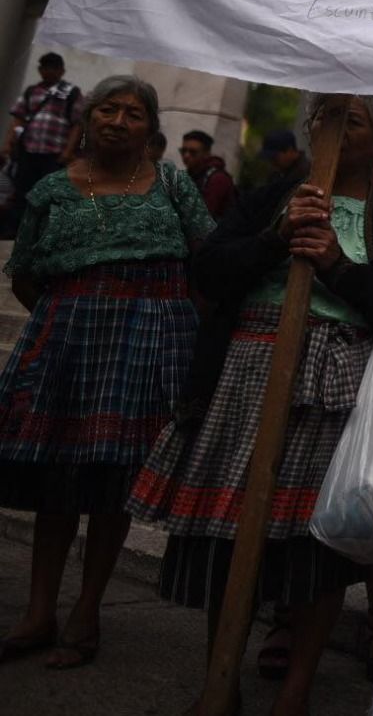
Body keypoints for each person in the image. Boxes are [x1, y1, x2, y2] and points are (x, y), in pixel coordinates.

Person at [127, 94, 373, 715]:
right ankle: (221, 680)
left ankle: (294, 694)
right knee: (229, 534)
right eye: (325, 118)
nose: (337, 131)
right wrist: (275, 238)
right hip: (246, 376)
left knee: (315, 554)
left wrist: (338, 267)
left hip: (336, 393)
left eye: (355, 122)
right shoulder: (269, 198)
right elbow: (209, 272)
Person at [0, 76, 213, 668]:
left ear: (151, 128)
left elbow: (211, 259)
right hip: (69, 340)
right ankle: (38, 612)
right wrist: (74, 309)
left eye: (133, 113)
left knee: (113, 483)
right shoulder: (50, 190)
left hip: (147, 345)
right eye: (107, 109)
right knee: (55, 479)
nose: (118, 121)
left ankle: (87, 611)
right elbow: (25, 272)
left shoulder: (172, 184)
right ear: (88, 119)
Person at [3, 53, 83, 237]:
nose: (49, 72)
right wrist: (8, 145)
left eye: (53, 68)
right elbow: (18, 119)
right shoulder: (32, 91)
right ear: (40, 70)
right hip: (28, 151)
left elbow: (78, 124)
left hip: (54, 154)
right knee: (21, 192)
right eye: (45, 68)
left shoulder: (71, 92)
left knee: (49, 194)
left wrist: (68, 151)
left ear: (62, 71)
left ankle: (42, 233)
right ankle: (14, 232)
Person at [179, 129, 238, 218]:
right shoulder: (189, 175)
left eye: (193, 152)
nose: (186, 156)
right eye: (183, 151)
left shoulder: (218, 179)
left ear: (206, 153)